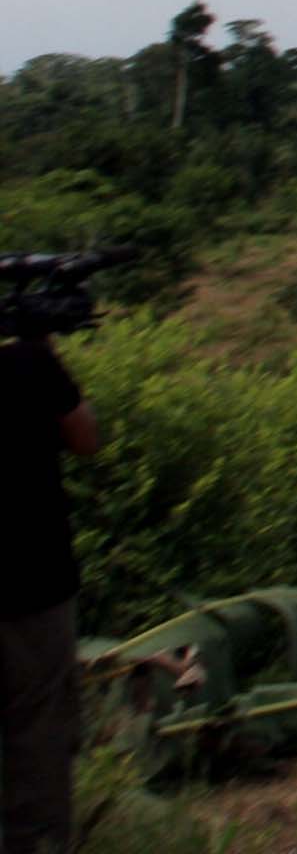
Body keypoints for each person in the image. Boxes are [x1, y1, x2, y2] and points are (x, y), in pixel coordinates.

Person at [3, 328, 101, 854]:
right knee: (38, 735)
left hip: (35, 583)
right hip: (32, 583)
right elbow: (86, 440)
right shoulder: (30, 363)